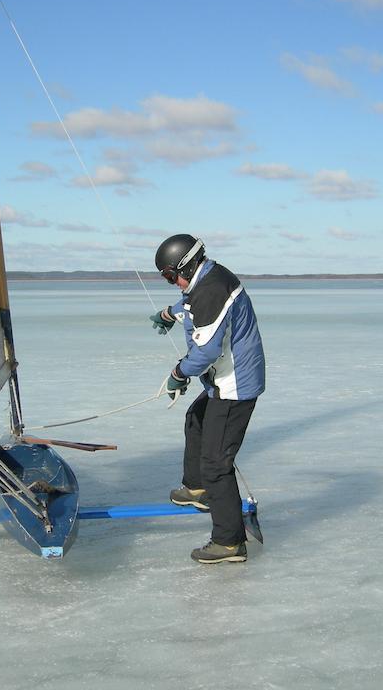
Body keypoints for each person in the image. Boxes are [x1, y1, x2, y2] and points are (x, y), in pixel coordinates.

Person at [150, 234, 266, 563]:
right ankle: (197, 488)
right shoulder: (206, 278)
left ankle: (229, 542)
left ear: (186, 266)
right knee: (195, 420)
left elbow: (208, 350)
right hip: (224, 382)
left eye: (171, 276)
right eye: (166, 278)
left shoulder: (212, 289)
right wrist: (170, 314)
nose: (172, 283)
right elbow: (190, 303)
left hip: (235, 387)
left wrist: (179, 373)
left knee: (217, 464)